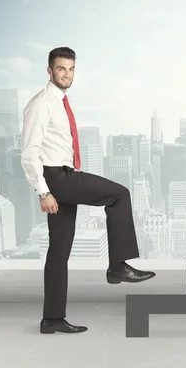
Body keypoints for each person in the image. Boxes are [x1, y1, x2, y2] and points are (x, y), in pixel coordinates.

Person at [20, 46, 155, 335]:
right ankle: (117, 266)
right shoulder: (41, 104)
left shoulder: (62, 102)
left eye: (70, 69)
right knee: (119, 194)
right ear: (49, 71)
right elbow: (29, 153)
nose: (66, 74)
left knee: (58, 251)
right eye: (60, 68)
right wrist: (44, 192)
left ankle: (52, 319)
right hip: (57, 178)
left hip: (62, 176)